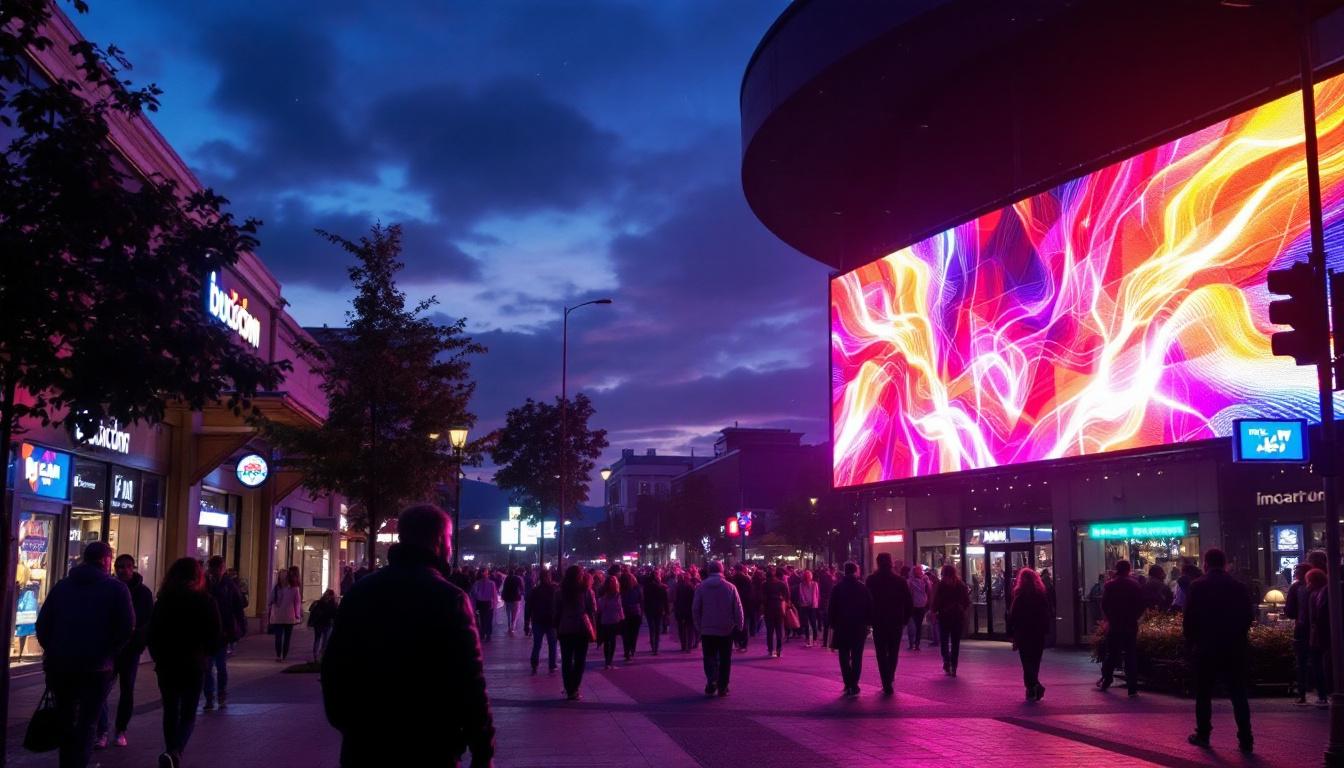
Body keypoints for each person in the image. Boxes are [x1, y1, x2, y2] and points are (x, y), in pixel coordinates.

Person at [322, 504, 494, 766]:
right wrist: (482, 749)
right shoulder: (449, 599)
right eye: (449, 539)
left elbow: (335, 666)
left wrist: (350, 724)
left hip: (366, 744)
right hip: (430, 744)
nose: (450, 546)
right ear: (439, 541)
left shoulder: (361, 592)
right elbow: (469, 681)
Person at [35, 541, 133, 768]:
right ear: (106, 560)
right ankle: (79, 762)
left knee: (66, 718)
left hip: (62, 666)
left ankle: (67, 763)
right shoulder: (117, 589)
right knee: (88, 721)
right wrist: (109, 652)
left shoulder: (62, 587)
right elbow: (126, 627)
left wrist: (53, 650)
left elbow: (43, 624)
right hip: (96, 667)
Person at [148, 557, 222, 768]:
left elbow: (152, 633)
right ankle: (175, 751)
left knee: (170, 709)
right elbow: (215, 635)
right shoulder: (205, 601)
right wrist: (206, 655)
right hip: (193, 663)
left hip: (167, 663)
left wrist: (158, 656)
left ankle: (171, 750)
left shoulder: (164, 601)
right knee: (188, 712)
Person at [1184, 548, 1254, 753]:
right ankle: (1246, 738)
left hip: (1206, 647)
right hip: (1234, 647)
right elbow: (1248, 617)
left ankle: (1203, 734)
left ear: (1205, 563)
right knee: (1238, 693)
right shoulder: (1238, 586)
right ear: (1225, 564)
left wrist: (1192, 643)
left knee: (1203, 693)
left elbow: (1189, 620)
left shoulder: (1197, 586)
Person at [95, 554, 153, 749]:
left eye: (127, 566)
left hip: (130, 650)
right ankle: (102, 730)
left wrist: (138, 640)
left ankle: (120, 730)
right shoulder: (109, 588)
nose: (123, 570)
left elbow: (146, 620)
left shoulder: (143, 592)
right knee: (100, 690)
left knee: (126, 690)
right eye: (119, 566)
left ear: (133, 568)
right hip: (110, 649)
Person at [692, 561, 744, 697]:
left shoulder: (701, 587)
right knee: (725, 658)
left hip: (707, 628)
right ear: (722, 570)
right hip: (726, 628)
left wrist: (698, 625)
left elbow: (696, 608)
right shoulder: (730, 587)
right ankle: (723, 685)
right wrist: (740, 624)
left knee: (709, 656)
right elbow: (738, 608)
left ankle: (711, 680)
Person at [203, 555, 245, 711]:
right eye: (213, 569)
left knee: (219, 665)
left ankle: (220, 693)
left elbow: (238, 607)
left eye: (218, 569)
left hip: (223, 632)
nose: (215, 572)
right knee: (208, 667)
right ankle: (210, 696)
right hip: (208, 632)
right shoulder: (205, 585)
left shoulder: (229, 586)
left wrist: (238, 628)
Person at [866, 553, 911, 695]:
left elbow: (867, 601)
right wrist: (905, 619)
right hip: (895, 621)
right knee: (893, 651)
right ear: (891, 563)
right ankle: (890, 676)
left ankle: (885, 681)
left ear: (878, 563)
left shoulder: (871, 580)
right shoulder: (900, 581)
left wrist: (869, 620)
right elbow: (908, 602)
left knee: (880, 652)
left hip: (878, 621)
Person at [828, 561, 873, 696]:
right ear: (855, 571)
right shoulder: (862, 588)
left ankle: (847, 682)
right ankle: (854, 682)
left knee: (843, 655)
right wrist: (868, 623)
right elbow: (869, 607)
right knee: (857, 655)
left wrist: (832, 623)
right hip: (858, 627)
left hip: (842, 626)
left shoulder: (837, 588)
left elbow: (832, 608)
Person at [1099, 560, 1142, 696]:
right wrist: (1134, 617)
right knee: (1130, 655)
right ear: (1128, 570)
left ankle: (1106, 680)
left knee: (1112, 653)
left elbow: (1104, 605)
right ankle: (1132, 688)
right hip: (1130, 624)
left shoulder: (1110, 585)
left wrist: (1110, 618)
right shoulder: (1134, 585)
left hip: (1115, 624)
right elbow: (1140, 605)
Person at [1007, 567, 1052, 702]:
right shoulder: (1041, 595)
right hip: (1037, 633)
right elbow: (1046, 615)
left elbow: (1013, 616)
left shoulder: (1019, 596)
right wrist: (1046, 630)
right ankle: (1032, 687)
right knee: (1035, 661)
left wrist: (1011, 633)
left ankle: (1032, 687)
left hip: (1023, 633)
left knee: (1026, 662)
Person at [555, 565, 597, 700]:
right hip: (581, 629)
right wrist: (594, 629)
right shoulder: (586, 591)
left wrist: (557, 627)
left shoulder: (560, 592)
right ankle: (575, 688)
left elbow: (556, 612)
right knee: (580, 660)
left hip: (565, 628)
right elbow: (591, 611)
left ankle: (569, 688)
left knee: (567, 660)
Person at [930, 563, 970, 676]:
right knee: (954, 642)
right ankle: (953, 664)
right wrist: (961, 609)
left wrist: (934, 611)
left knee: (945, 641)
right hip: (956, 617)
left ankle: (948, 661)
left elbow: (936, 601)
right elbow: (966, 602)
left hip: (945, 617)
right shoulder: (961, 585)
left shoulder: (942, 586)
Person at [1285, 562, 1313, 705]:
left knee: (1301, 661)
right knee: (1317, 660)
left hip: (1301, 627)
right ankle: (1321, 692)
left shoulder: (1296, 587)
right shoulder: (1320, 586)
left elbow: (1289, 611)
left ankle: (1302, 693)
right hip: (1317, 628)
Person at [526, 568, 558, 674]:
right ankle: (552, 665)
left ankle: (534, 665)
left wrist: (527, 622)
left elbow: (528, 607)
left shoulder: (535, 591)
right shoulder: (554, 590)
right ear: (549, 577)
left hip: (538, 620)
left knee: (537, 644)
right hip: (550, 621)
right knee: (552, 644)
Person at [1307, 567, 1331, 707]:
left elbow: (1317, 616)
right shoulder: (1323, 592)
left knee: (1318, 664)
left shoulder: (1317, 594)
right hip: (1322, 634)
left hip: (1319, 635)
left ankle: (1323, 694)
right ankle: (1323, 693)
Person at [267, 568, 302, 662]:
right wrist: (297, 614)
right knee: (283, 638)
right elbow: (297, 602)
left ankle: (280, 656)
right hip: (285, 617)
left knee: (281, 637)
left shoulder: (279, 588)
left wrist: (298, 614)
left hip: (282, 616)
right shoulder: (293, 589)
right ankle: (281, 656)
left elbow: (270, 601)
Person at [596, 570, 624, 670]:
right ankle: (609, 661)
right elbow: (619, 607)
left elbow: (600, 609)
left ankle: (607, 662)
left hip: (606, 619)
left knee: (607, 641)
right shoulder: (616, 595)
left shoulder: (604, 595)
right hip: (613, 619)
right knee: (611, 641)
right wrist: (622, 617)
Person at [761, 567, 789, 658]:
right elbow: (787, 596)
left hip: (768, 609)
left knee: (769, 631)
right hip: (779, 609)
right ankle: (779, 649)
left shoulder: (764, 585)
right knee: (779, 631)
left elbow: (761, 598)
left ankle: (770, 649)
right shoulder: (781, 584)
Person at [643, 569, 670, 655]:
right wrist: (667, 611)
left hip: (649, 609)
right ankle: (656, 647)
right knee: (657, 628)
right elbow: (665, 601)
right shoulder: (662, 588)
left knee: (652, 628)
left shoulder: (646, 587)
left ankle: (653, 645)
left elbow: (645, 599)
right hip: (659, 610)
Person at [308, 589, 339, 661]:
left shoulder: (319, 602)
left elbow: (311, 610)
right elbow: (335, 614)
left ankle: (315, 655)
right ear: (332, 596)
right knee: (325, 641)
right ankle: (322, 655)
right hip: (327, 624)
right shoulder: (333, 604)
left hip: (318, 624)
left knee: (317, 639)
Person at [729, 564, 754, 651]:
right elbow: (750, 594)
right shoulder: (747, 579)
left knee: (735, 625)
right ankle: (743, 645)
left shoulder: (732, 579)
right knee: (744, 625)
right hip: (745, 605)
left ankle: (737, 642)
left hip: (734, 605)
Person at [619, 571, 643, 661]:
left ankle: (627, 651)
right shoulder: (637, 589)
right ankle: (632, 648)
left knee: (626, 634)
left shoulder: (620, 590)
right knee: (634, 633)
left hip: (624, 614)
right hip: (635, 613)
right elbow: (641, 602)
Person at [471, 569, 500, 642]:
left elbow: (474, 593)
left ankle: (483, 634)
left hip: (481, 603)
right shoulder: (491, 583)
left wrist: (478, 598)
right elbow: (494, 595)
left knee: (482, 619)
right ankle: (488, 634)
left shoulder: (477, 583)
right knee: (488, 619)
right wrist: (494, 604)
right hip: (488, 603)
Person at [907, 564, 930, 651]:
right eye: (919, 570)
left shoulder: (923, 581)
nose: (920, 572)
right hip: (917, 605)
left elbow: (928, 591)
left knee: (916, 625)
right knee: (915, 625)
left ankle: (915, 643)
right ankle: (914, 643)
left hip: (918, 605)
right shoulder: (914, 581)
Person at [797, 569, 822, 648]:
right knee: (806, 624)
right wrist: (805, 602)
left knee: (813, 623)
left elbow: (817, 595)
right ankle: (808, 640)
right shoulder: (801, 585)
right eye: (806, 576)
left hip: (813, 606)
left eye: (809, 576)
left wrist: (814, 604)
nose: (808, 578)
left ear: (811, 577)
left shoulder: (815, 584)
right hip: (804, 606)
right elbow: (801, 595)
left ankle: (814, 640)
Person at [674, 571, 698, 652]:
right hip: (689, 610)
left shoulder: (678, 587)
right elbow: (694, 600)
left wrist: (676, 609)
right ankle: (689, 646)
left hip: (680, 610)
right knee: (690, 629)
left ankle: (683, 645)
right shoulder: (691, 587)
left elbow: (676, 600)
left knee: (681, 629)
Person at [502, 567, 524, 637]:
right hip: (516, 598)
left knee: (508, 612)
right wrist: (521, 593)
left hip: (507, 598)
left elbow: (504, 588)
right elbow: (522, 588)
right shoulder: (518, 579)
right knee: (515, 612)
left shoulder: (507, 579)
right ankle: (512, 626)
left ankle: (509, 625)